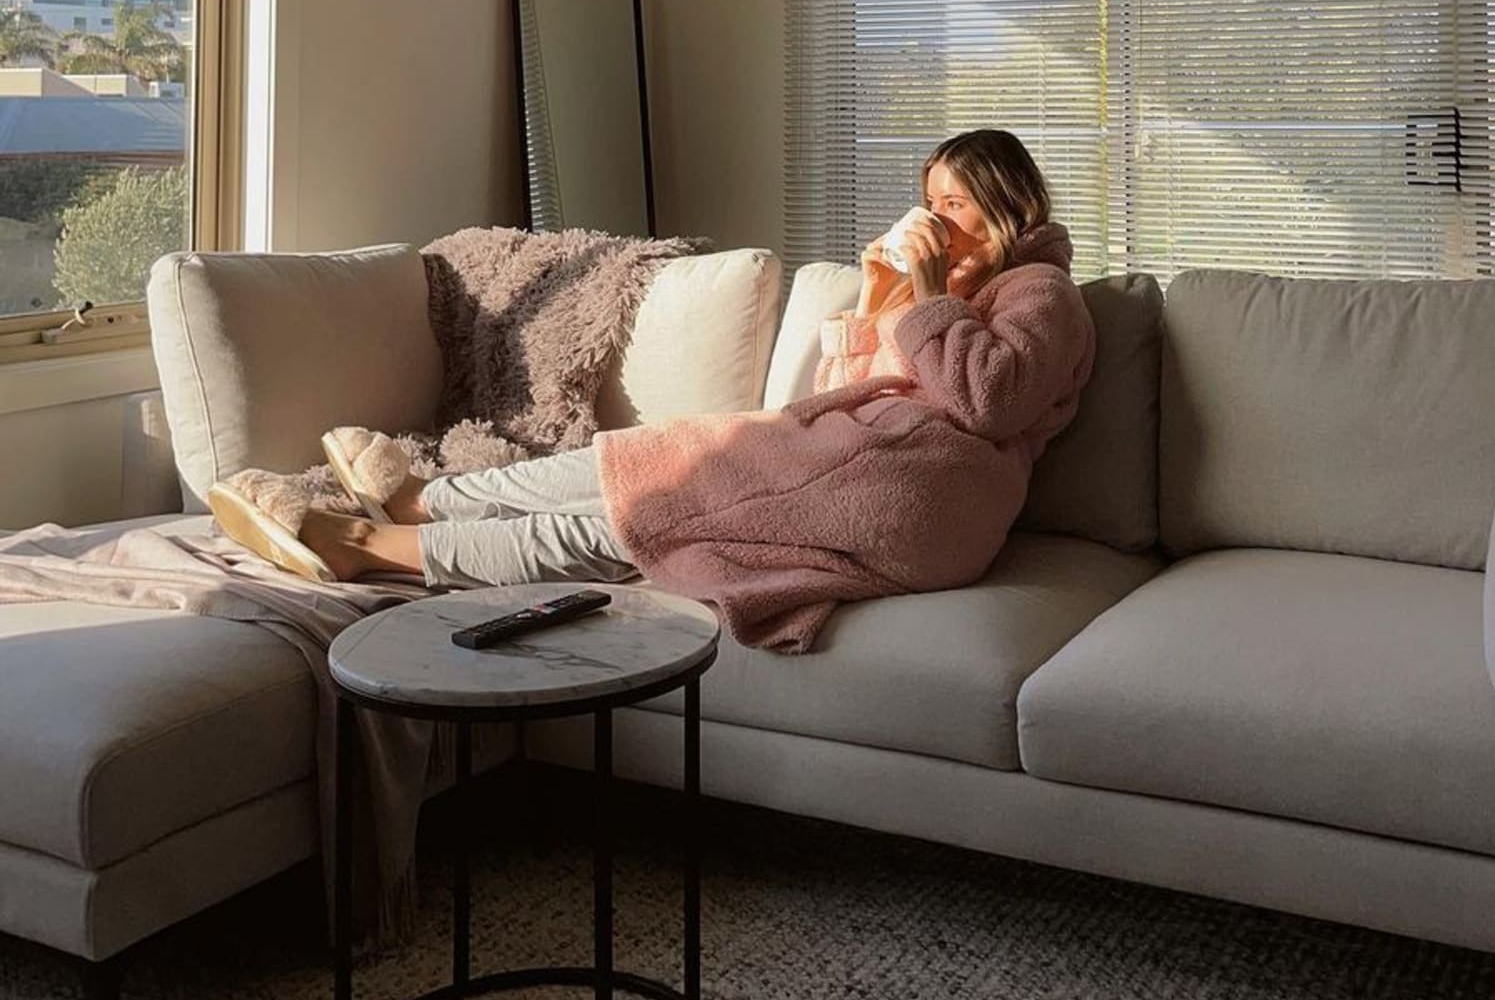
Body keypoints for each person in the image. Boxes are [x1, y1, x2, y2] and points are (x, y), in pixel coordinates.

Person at [209, 127, 1096, 654]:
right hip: (865, 471)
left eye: (955, 206)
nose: (934, 223)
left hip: (932, 503)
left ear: (1008, 207)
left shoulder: (1041, 292)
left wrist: (932, 296)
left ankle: (381, 547)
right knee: (649, 462)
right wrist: (877, 305)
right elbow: (850, 392)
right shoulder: (951, 294)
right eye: (929, 203)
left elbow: (989, 403)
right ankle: (427, 499)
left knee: (654, 506)